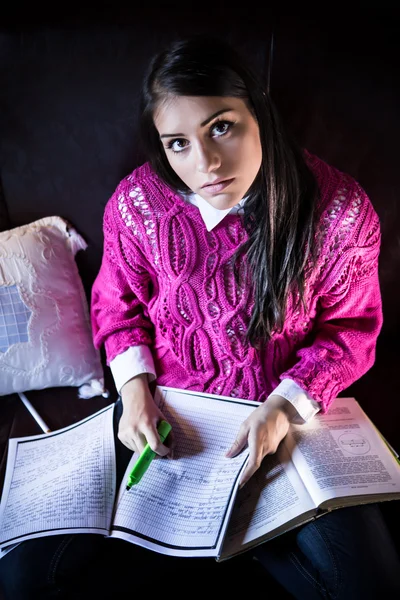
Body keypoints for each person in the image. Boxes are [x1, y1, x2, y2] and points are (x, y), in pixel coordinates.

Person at [0, 34, 399, 600]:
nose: (205, 164)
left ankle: (232, 538)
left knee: (370, 584)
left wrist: (284, 409)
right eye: (177, 143)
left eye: (221, 127)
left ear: (257, 111)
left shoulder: (338, 210)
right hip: (169, 414)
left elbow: (349, 331)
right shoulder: (137, 206)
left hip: (286, 416)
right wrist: (135, 391)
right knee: (24, 578)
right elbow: (118, 308)